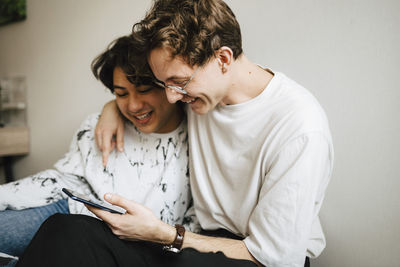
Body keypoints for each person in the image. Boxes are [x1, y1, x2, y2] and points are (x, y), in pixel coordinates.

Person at [16, 0, 333, 266]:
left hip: (256, 258)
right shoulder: (201, 94)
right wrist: (110, 109)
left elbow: (276, 257)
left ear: (223, 59)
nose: (170, 97)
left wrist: (164, 234)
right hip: (197, 242)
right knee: (65, 232)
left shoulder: (299, 126)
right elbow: (144, 103)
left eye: (178, 82)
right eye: (163, 84)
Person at [0, 35, 198, 266]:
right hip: (66, 204)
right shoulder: (101, 124)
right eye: (121, 94)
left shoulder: (196, 137)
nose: (133, 106)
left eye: (144, 89)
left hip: (118, 237)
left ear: (166, 84)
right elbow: (63, 180)